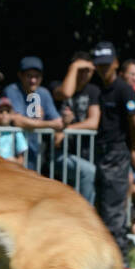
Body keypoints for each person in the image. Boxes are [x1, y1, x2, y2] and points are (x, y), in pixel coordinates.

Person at [90, 42, 135, 269]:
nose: (103, 69)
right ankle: (105, 259)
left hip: (118, 152)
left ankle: (121, 261)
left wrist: (131, 149)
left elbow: (134, 123)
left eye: (107, 65)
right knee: (101, 208)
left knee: (113, 211)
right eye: (99, 65)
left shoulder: (123, 90)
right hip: (102, 153)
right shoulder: (99, 89)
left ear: (116, 64)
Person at [52, 51, 102, 202]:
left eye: (88, 71)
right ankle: (83, 217)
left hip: (85, 154)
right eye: (80, 70)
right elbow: (66, 93)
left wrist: (67, 130)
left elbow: (93, 123)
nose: (85, 74)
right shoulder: (56, 86)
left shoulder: (94, 91)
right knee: (89, 172)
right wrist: (75, 66)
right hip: (59, 154)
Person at [2, 56, 62, 173]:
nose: (33, 80)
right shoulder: (12, 90)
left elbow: (58, 122)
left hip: (36, 154)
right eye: (29, 76)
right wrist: (48, 124)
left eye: (37, 76)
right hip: (13, 153)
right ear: (20, 75)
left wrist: (58, 128)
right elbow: (18, 121)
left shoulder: (44, 93)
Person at [0, 98, 28, 165]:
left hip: (8, 168)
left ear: (12, 114)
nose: (4, 114)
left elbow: (21, 160)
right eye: (1, 112)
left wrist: (14, 161)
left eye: (7, 111)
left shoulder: (16, 132)